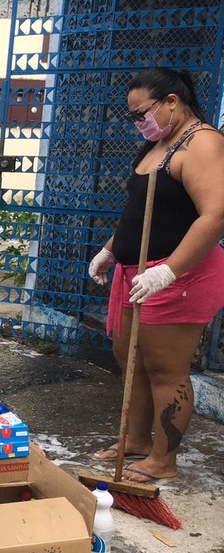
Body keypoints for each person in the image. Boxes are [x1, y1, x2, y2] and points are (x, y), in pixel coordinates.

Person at [87, 67, 224, 483]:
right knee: (132, 359)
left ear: (171, 101)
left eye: (140, 112)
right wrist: (111, 249)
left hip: (179, 277)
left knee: (166, 369)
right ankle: (137, 439)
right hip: (135, 272)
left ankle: (164, 460)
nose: (137, 122)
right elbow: (141, 209)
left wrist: (168, 270)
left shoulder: (202, 144)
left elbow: (215, 215)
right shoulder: (158, 143)